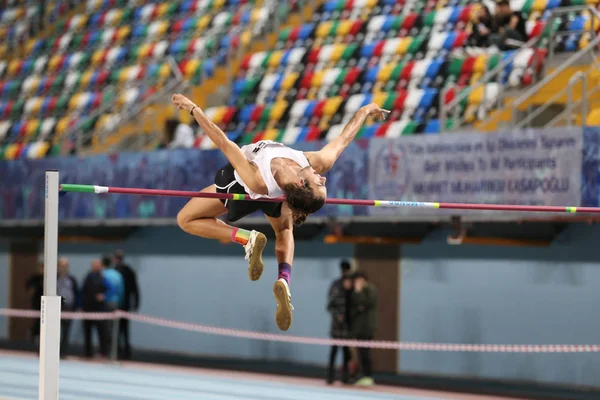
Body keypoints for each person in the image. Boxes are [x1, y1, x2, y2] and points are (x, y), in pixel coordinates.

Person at [171, 93, 389, 331]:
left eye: (320, 183)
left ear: (300, 185)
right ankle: (284, 279)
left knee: (185, 219)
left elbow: (223, 141)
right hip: (273, 197)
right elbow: (345, 138)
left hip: (243, 187)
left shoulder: (260, 181)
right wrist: (366, 110)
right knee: (285, 229)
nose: (323, 177)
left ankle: (245, 238)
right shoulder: (315, 162)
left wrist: (194, 109)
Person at [326, 260, 353, 384]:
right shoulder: (336, 285)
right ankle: (330, 376)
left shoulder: (352, 286)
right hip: (337, 326)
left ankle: (346, 377)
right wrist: (338, 317)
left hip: (348, 325)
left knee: (346, 353)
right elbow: (330, 305)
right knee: (334, 351)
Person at [350, 271, 377, 387]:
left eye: (358, 280)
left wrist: (359, 292)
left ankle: (369, 376)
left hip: (367, 327)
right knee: (360, 354)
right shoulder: (356, 291)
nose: (357, 283)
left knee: (366, 353)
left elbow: (365, 303)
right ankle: (363, 375)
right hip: (359, 327)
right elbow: (355, 305)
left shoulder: (370, 289)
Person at [114, 249, 140, 359]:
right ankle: (124, 351)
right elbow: (135, 289)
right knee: (124, 330)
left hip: (118, 304)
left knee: (117, 329)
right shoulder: (129, 271)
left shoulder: (115, 271)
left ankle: (119, 351)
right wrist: (136, 303)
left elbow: (134, 289)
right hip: (125, 304)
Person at [82, 259, 109, 358]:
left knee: (102, 332)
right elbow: (83, 292)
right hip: (88, 309)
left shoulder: (103, 278)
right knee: (87, 332)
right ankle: (88, 352)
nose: (96, 267)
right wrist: (82, 306)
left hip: (100, 310)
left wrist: (103, 296)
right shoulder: (88, 277)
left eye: (98, 265)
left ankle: (103, 353)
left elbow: (108, 290)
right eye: (94, 265)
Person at [56, 257, 79, 359]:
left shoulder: (72, 279)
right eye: (62, 265)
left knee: (66, 330)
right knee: (54, 331)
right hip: (55, 306)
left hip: (68, 307)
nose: (63, 267)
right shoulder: (53, 278)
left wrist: (77, 307)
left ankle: (63, 352)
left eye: (65, 265)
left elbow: (76, 293)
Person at [25, 258, 44, 344]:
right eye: (41, 267)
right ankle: (35, 336)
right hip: (36, 303)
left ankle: (41, 337)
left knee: (43, 322)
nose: (42, 269)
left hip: (47, 304)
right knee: (37, 320)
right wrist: (31, 290)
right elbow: (28, 287)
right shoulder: (34, 278)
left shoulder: (49, 279)